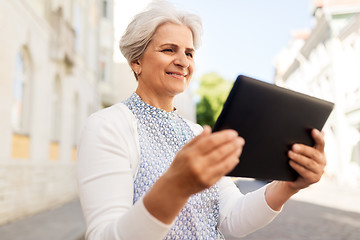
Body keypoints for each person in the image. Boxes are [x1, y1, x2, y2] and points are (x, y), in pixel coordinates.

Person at [77, 1, 327, 239]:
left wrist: (289, 186)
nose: (183, 61)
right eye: (168, 50)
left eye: (189, 53)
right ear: (136, 61)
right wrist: (176, 185)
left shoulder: (197, 133)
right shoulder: (109, 126)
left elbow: (232, 218)